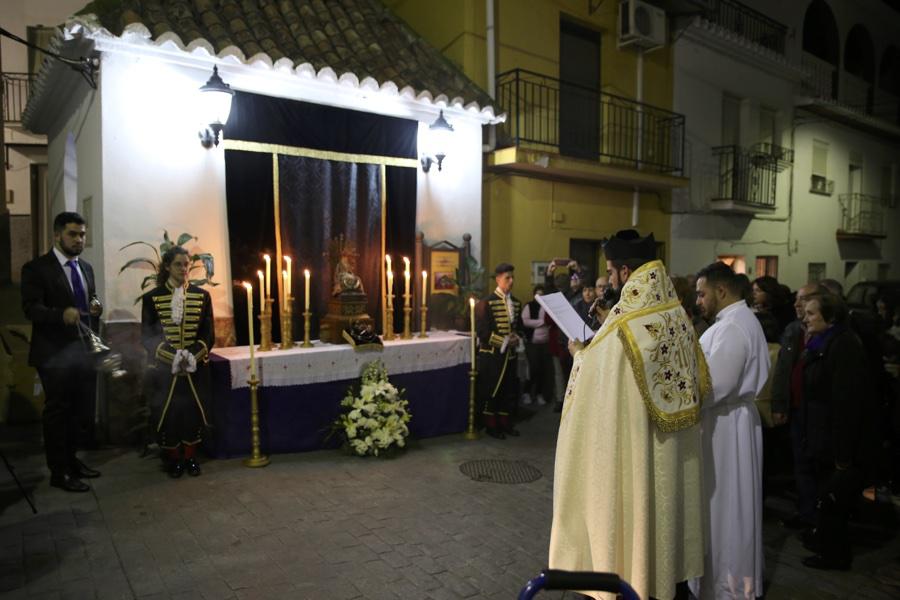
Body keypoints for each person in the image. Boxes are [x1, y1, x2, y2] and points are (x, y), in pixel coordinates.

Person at [550, 230, 709, 600]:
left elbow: (596, 376)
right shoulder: (676, 318)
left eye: (611, 271)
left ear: (624, 272)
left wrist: (579, 354)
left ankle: (629, 576)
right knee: (663, 528)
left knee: (635, 527)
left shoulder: (624, 329)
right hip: (671, 452)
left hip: (636, 449)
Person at [691, 261, 770, 599]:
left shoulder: (735, 327)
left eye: (701, 293)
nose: (698, 301)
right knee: (724, 505)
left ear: (721, 291)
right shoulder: (732, 322)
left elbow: (712, 388)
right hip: (726, 424)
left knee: (726, 507)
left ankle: (728, 586)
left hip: (727, 428)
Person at [21, 212, 103, 493]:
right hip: (54, 353)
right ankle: (59, 472)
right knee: (58, 412)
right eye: (73, 234)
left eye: (82, 234)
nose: (79, 239)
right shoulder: (36, 269)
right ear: (57, 235)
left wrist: (95, 306)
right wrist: (60, 314)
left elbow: (89, 300)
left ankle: (72, 461)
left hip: (82, 351)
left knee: (79, 412)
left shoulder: (86, 268)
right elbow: (31, 308)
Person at [799, 292, 877, 570]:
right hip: (822, 434)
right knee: (825, 496)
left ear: (830, 317)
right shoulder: (823, 342)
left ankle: (835, 555)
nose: (804, 318)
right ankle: (826, 546)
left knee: (834, 500)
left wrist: (843, 455)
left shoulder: (843, 346)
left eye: (811, 314)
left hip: (835, 440)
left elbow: (846, 402)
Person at [141, 246, 214, 478]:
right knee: (169, 414)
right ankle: (174, 459)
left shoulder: (202, 296)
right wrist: (173, 357)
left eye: (186, 264)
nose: (183, 269)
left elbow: (208, 334)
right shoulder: (152, 298)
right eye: (178, 264)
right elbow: (147, 336)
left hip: (194, 369)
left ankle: (191, 457)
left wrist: (192, 355)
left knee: (192, 413)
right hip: (165, 371)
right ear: (167, 267)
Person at [771, 282, 825, 531]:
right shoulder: (793, 330)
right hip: (796, 409)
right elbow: (783, 370)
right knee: (801, 465)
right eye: (797, 299)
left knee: (818, 467)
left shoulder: (831, 334)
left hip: (818, 411)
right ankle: (807, 516)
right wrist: (779, 403)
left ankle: (821, 520)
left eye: (804, 300)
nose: (797, 304)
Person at [475, 263, 524, 439]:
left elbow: (519, 328)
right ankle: (491, 425)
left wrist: (517, 338)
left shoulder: (517, 303)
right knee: (492, 390)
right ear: (498, 280)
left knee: (508, 390)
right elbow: (483, 333)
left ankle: (505, 424)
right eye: (507, 278)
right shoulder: (486, 303)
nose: (511, 281)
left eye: (512, 277)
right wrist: (504, 341)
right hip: (492, 356)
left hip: (510, 356)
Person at [522, 285, 552, 406]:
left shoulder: (549, 306)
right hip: (532, 343)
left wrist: (546, 324)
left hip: (546, 343)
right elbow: (525, 321)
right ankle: (527, 393)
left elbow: (552, 322)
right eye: (538, 294)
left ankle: (539, 394)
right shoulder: (529, 306)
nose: (540, 297)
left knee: (543, 370)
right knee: (533, 369)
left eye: (542, 294)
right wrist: (542, 323)